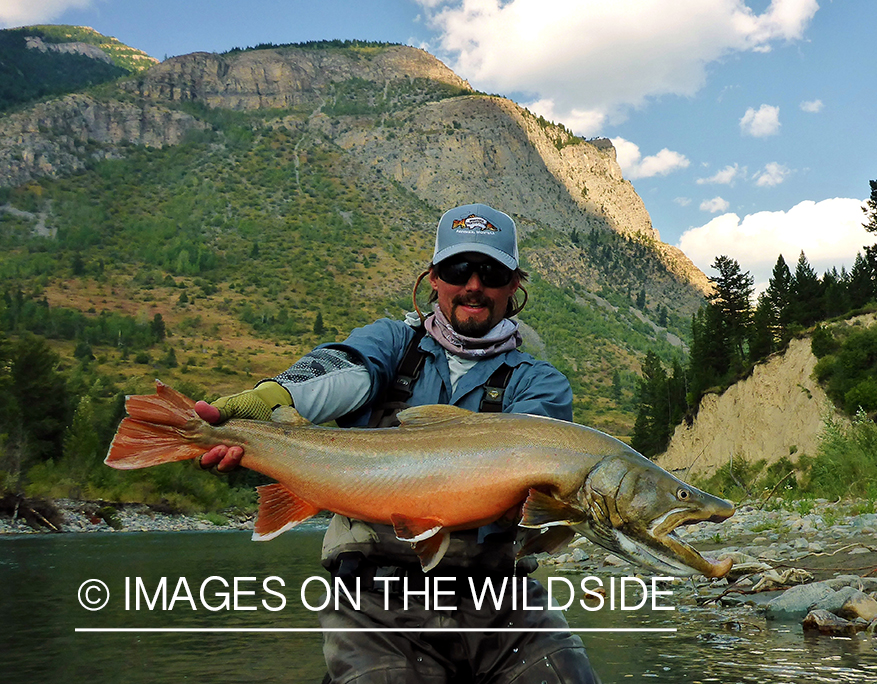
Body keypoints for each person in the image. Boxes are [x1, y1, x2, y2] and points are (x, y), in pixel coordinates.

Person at [195, 203, 601, 684]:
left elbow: (543, 474)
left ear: (515, 285)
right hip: (374, 603)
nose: (474, 284)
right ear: (433, 278)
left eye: (491, 272)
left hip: (501, 601)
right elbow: (342, 369)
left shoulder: (540, 382)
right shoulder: (391, 343)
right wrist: (272, 397)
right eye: (458, 269)